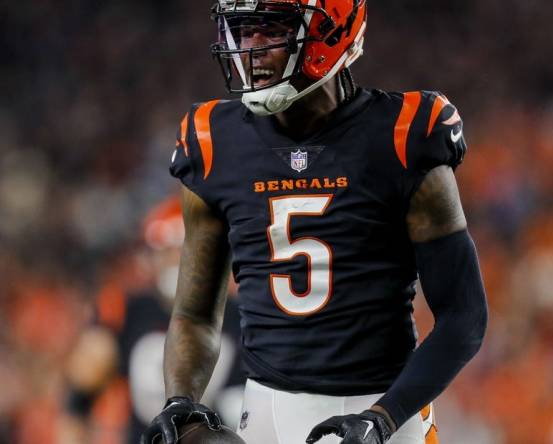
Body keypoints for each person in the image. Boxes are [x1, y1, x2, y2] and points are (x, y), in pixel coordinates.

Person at [141, 1, 488, 443]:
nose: (251, 47)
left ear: (331, 31)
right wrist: (180, 399)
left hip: (382, 408)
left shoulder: (403, 136)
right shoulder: (211, 141)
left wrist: (382, 418)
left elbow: (465, 317)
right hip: (264, 410)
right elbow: (193, 313)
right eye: (242, 30)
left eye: (270, 29)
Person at [62, 197, 245, 444]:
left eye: (181, 250)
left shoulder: (240, 314)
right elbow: (81, 388)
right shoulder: (128, 310)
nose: (174, 261)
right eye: (166, 251)